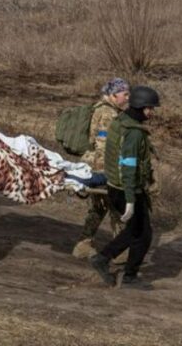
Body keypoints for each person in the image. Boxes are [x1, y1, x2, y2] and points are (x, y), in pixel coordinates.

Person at [90, 86, 161, 289]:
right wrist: (130, 199)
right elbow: (128, 167)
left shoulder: (120, 121)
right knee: (143, 234)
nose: (151, 112)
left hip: (116, 187)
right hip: (126, 190)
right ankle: (128, 275)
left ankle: (104, 259)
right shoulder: (133, 133)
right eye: (149, 108)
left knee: (136, 231)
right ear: (140, 107)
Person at [72, 78, 130, 258]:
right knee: (116, 207)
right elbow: (104, 146)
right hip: (103, 167)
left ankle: (83, 244)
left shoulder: (104, 109)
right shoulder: (108, 114)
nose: (128, 98)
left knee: (99, 208)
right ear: (114, 95)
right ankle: (120, 251)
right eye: (125, 94)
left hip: (97, 166)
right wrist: (110, 173)